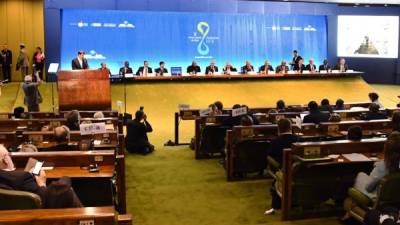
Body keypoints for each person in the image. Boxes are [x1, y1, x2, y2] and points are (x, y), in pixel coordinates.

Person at [265, 118, 298, 215]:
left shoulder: (275, 141)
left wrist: (278, 167)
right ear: (291, 127)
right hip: (297, 170)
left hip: (281, 170)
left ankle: (277, 204)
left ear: (278, 129)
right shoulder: (298, 139)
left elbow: (269, 157)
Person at [353, 132, 400, 199]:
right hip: (396, 200)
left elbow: (368, 188)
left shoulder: (382, 166)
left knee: (361, 175)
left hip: (378, 200)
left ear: (386, 148)